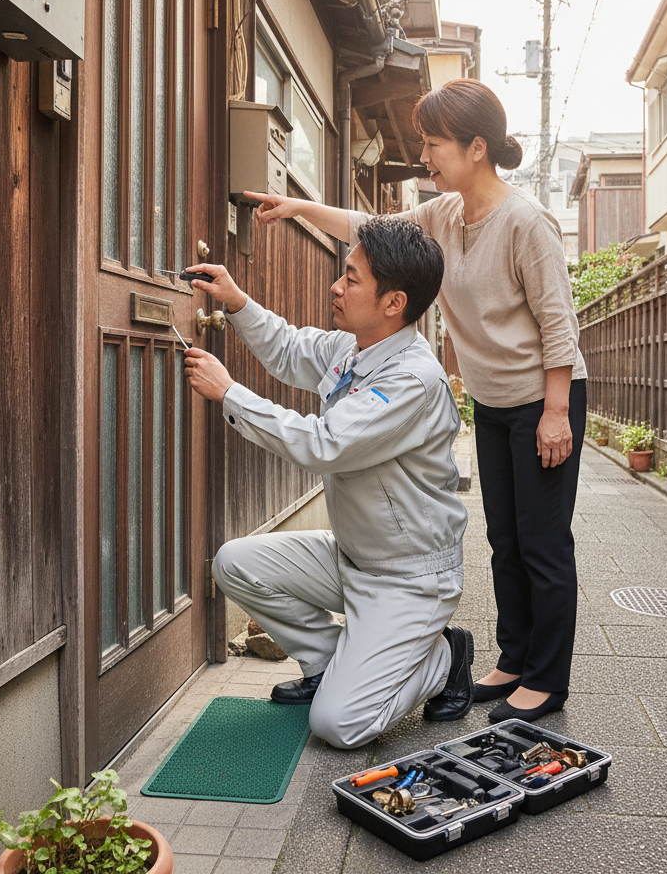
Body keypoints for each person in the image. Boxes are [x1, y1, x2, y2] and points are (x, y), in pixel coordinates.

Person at [246, 78, 587, 724]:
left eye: (434, 143)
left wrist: (554, 411)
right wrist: (298, 210)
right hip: (493, 402)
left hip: (545, 398)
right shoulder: (446, 215)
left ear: (476, 147)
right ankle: (512, 660)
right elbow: (369, 228)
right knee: (506, 540)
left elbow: (557, 324)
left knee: (544, 543)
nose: (424, 155)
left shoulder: (525, 222)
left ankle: (547, 678)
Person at [182, 215, 474, 750]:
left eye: (353, 278)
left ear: (394, 303)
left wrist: (230, 394)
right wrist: (237, 301)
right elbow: (290, 348)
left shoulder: (412, 379)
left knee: (339, 726)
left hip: (409, 580)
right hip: (352, 558)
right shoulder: (354, 348)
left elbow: (324, 444)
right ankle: (326, 664)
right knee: (233, 564)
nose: (337, 287)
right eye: (344, 273)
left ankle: (443, 659)